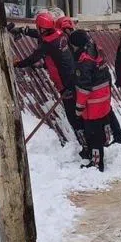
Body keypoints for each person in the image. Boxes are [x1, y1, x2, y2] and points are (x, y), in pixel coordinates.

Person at [11, 12, 85, 147]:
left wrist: (17, 64)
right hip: (75, 79)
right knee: (80, 113)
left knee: (73, 118)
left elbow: (33, 58)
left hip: (65, 84)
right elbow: (40, 35)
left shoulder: (48, 44)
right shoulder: (58, 34)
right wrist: (24, 31)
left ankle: (85, 145)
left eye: (38, 27)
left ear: (42, 28)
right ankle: (89, 142)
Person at [70, 29, 117, 170]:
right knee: (99, 130)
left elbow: (84, 88)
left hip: (93, 104)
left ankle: (97, 164)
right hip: (103, 98)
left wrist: (79, 108)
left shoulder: (84, 61)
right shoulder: (95, 52)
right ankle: (99, 153)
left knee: (93, 135)